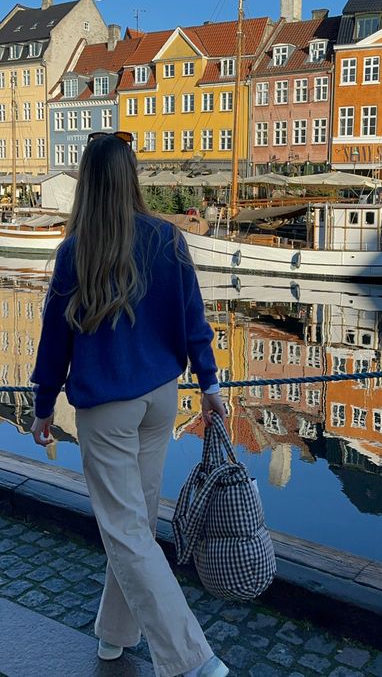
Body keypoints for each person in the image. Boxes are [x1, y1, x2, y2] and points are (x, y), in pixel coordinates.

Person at [31, 131, 229, 677]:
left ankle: (191, 658)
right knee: (135, 523)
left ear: (87, 184)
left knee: (125, 531)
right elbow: (195, 322)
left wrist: (43, 405)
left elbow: (54, 339)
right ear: (132, 178)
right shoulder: (167, 238)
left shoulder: (76, 250)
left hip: (108, 407)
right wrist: (209, 387)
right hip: (160, 400)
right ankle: (115, 635)